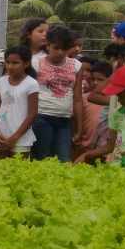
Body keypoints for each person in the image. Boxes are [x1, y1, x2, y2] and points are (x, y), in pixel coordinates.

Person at [32, 26, 82, 162]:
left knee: (64, 159)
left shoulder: (77, 65)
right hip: (42, 117)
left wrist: (79, 128)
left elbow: (77, 99)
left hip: (65, 120)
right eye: (56, 47)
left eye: (64, 49)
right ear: (48, 46)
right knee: (42, 158)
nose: (60, 52)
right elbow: (29, 95)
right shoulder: (36, 63)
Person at [0, 46, 39, 159]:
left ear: (26, 64)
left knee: (18, 173)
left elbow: (32, 114)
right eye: (7, 62)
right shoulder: (1, 81)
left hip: (21, 139)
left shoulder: (31, 84)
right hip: (0, 136)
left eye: (15, 63)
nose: (10, 66)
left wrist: (14, 138)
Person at [75, 61, 114, 164]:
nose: (96, 82)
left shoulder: (115, 100)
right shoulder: (85, 98)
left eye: (100, 79)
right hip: (86, 147)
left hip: (107, 149)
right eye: (93, 79)